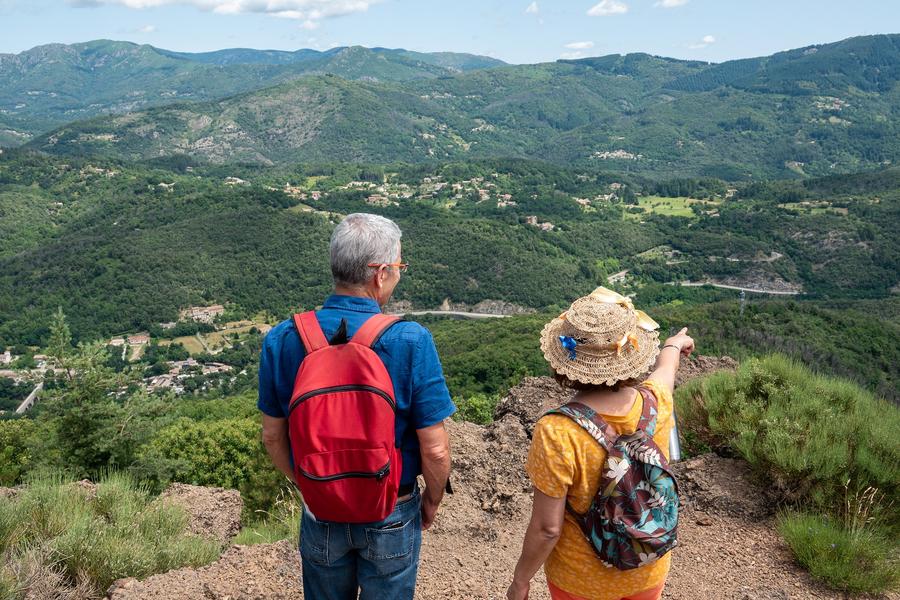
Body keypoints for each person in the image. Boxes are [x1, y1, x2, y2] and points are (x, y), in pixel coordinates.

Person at [257, 213, 456, 600]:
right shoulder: (411, 340)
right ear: (380, 273)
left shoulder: (282, 339)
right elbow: (435, 447)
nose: (399, 275)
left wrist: (315, 484)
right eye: (399, 267)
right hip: (391, 508)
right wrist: (431, 501)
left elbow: (272, 438)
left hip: (321, 510)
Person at [507, 287, 694, 600]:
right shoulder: (657, 402)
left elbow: (547, 528)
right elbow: (666, 370)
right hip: (646, 565)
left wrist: (520, 581)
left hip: (580, 579)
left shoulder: (557, 431)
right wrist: (675, 344)